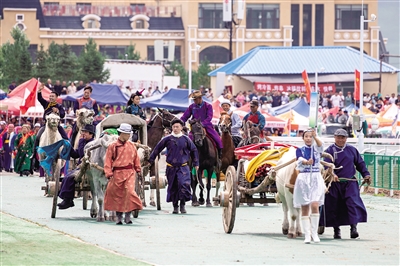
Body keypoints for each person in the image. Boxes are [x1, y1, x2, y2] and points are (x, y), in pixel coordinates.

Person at [320, 129, 371, 239]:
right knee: (334, 206)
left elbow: (360, 164)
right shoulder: (329, 151)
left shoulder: (352, 150)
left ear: (346, 138)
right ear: (334, 137)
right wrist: (332, 174)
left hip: (350, 183)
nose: (340, 140)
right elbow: (326, 165)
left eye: (342, 137)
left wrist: (366, 175)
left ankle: (353, 228)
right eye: (338, 137)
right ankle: (336, 231)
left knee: (353, 204)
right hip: (334, 183)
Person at [147, 119, 199, 214]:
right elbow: (157, 149)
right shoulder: (167, 139)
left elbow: (194, 150)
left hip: (183, 167)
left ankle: (182, 205)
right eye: (174, 127)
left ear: (181, 128)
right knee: (173, 187)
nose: (175, 128)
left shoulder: (186, 139)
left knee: (184, 185)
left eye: (177, 127)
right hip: (171, 168)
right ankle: (175, 206)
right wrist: (150, 160)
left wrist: (196, 163)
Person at [103, 123, 143, 225]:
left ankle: (128, 216)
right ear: (121, 133)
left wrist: (138, 170)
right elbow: (108, 161)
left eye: (129, 134)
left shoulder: (132, 146)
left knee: (129, 193)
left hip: (129, 173)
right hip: (117, 173)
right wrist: (108, 173)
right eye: (127, 134)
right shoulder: (113, 146)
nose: (129, 136)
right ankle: (119, 217)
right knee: (117, 195)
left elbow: (136, 159)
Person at [294, 129, 325, 244]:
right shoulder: (299, 150)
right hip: (304, 178)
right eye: (306, 136)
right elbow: (299, 160)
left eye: (310, 136)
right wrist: (307, 162)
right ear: (303, 138)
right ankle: (307, 235)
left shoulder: (316, 149)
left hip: (315, 177)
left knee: (315, 204)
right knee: (305, 206)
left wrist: (316, 136)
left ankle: (314, 233)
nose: (308, 138)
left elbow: (321, 146)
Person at [180, 90, 223, 166]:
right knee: (189, 139)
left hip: (207, 126)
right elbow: (185, 116)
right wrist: (180, 122)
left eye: (195, 99)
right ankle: (187, 158)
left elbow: (209, 117)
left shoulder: (208, 106)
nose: (194, 101)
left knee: (217, 139)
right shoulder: (192, 107)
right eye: (194, 99)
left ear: (200, 98)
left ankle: (219, 156)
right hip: (195, 128)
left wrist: (202, 124)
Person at [57, 124, 95, 210]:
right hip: (81, 166)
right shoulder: (82, 142)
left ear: (91, 134)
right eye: (83, 132)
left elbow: (87, 155)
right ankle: (67, 199)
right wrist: (69, 148)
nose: (83, 133)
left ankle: (68, 200)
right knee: (67, 176)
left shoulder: (94, 143)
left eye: (85, 132)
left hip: (90, 167)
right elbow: (76, 154)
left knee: (69, 178)